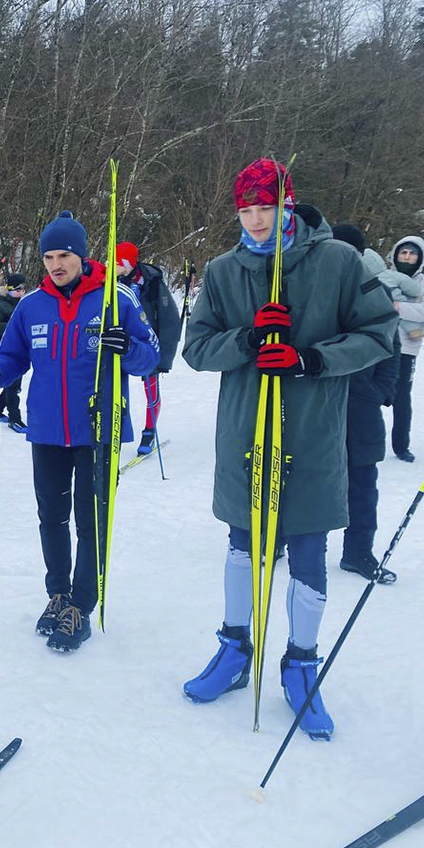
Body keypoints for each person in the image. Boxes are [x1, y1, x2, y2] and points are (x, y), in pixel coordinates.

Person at [181, 159, 396, 740]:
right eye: (245, 209)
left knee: (306, 546)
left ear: (288, 204)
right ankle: (234, 650)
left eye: (265, 207)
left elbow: (381, 333)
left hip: (312, 432)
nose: (254, 221)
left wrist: (313, 358)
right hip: (245, 433)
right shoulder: (225, 270)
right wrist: (246, 340)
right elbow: (195, 348)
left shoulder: (339, 262)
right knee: (243, 542)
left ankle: (301, 664)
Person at [0, 212, 159, 653]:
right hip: (47, 430)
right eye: (48, 256)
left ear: (81, 255)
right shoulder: (30, 306)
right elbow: (13, 357)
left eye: (63, 255)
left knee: (91, 520)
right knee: (51, 517)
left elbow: (152, 356)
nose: (55, 264)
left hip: (96, 430)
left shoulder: (115, 298)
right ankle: (58, 594)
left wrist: (129, 348)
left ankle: (82, 604)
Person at [330, 224, 401, 585]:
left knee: (361, 483)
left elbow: (392, 346)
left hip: (361, 404)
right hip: (316, 403)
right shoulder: (311, 288)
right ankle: (282, 541)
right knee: (300, 476)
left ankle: (358, 552)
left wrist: (381, 390)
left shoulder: (376, 290)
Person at [116, 242, 182, 454]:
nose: (112, 266)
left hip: (147, 346)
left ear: (127, 264)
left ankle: (149, 430)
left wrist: (164, 356)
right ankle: (114, 428)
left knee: (150, 390)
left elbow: (170, 320)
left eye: (117, 263)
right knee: (115, 389)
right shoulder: (110, 283)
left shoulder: (152, 284)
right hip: (121, 345)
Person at [389, 235, 424, 462]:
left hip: (408, 348)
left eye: (412, 253)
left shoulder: (422, 282)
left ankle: (401, 445)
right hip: (380, 343)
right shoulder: (386, 277)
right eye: (404, 252)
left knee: (402, 398)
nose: (407, 257)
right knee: (370, 395)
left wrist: (396, 306)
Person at [0, 273, 26, 432]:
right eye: (17, 289)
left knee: (13, 382)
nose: (20, 292)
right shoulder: (1, 304)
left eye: (23, 289)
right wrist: (13, 328)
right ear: (9, 289)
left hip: (22, 349)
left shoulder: (24, 304)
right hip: (4, 350)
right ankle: (14, 418)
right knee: (13, 384)